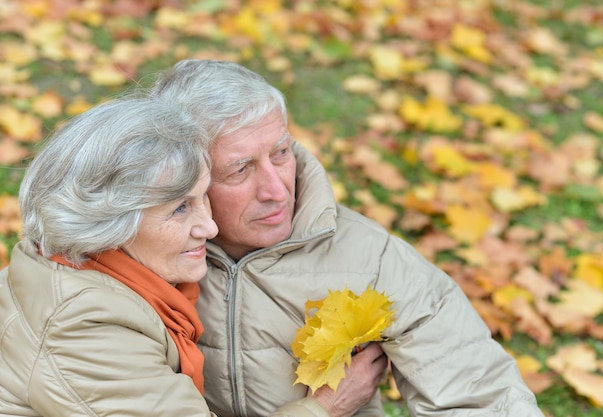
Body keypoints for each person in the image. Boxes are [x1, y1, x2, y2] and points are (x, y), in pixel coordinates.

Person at [147, 59, 546, 417]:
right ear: (182, 180)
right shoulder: (140, 260)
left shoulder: (368, 257)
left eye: (281, 153)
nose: (276, 189)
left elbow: (478, 393)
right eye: (240, 170)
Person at [0, 97, 382, 417]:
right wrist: (327, 406)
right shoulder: (83, 327)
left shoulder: (81, 269)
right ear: (109, 224)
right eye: (180, 209)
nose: (209, 227)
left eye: (203, 198)